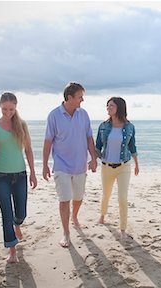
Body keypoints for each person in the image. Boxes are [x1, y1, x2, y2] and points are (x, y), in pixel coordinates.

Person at [42, 82, 97, 248]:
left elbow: (89, 138)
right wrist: (44, 164)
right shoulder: (54, 116)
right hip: (61, 165)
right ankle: (66, 233)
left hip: (80, 164)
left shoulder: (84, 114)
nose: (82, 100)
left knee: (78, 197)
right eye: (80, 97)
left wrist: (93, 158)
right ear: (69, 98)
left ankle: (74, 217)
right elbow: (48, 141)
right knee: (64, 199)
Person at [0, 92, 37, 263]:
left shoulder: (22, 125)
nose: (8, 112)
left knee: (21, 213)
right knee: (6, 213)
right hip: (0, 176)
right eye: (4, 109)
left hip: (20, 175)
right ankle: (12, 249)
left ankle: (18, 225)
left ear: (15, 107)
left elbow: (29, 150)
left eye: (11, 109)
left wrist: (33, 172)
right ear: (0, 106)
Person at [95, 97, 139, 240]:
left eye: (111, 106)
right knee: (106, 194)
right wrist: (92, 160)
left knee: (122, 198)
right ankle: (102, 216)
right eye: (107, 106)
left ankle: (123, 229)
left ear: (119, 107)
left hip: (124, 166)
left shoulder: (129, 127)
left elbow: (132, 147)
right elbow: (97, 147)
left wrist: (137, 164)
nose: (108, 108)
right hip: (107, 166)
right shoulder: (103, 126)